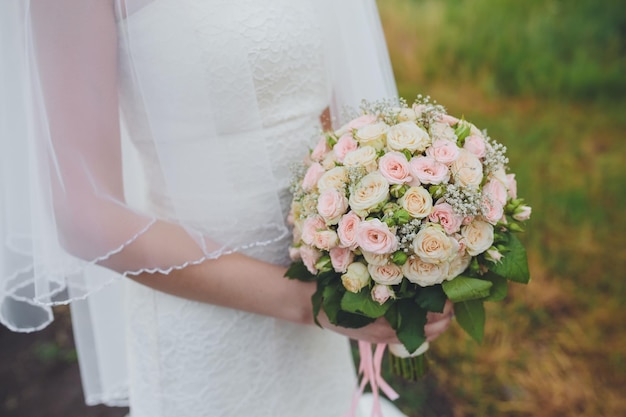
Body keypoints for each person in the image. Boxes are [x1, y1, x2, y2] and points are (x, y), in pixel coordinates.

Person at [0, 1, 453, 416]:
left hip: (319, 300)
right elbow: (85, 216)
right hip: (201, 316)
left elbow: (333, 116)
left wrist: (400, 251)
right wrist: (308, 304)